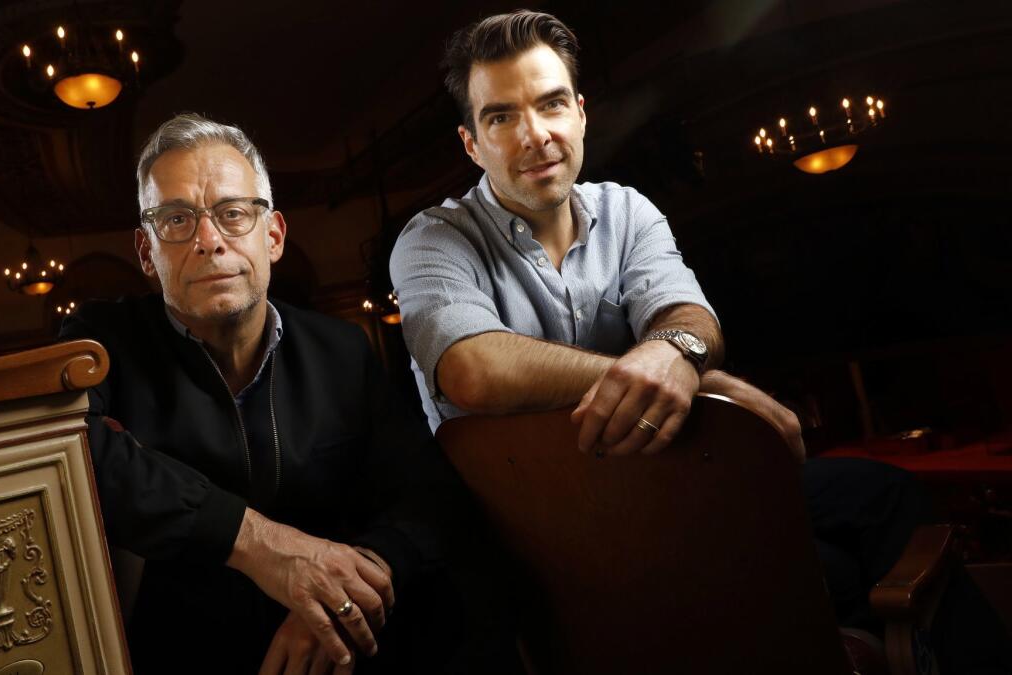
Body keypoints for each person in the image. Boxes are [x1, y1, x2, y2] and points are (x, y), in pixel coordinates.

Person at [391, 10, 1010, 673]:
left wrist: (675, 353)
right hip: (539, 535)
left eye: (550, 104)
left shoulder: (626, 210)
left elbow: (693, 319)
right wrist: (693, 374)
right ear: (471, 143)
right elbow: (474, 369)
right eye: (502, 117)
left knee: (881, 496)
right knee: (830, 566)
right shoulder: (434, 237)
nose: (535, 135)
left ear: (580, 111)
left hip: (667, 488)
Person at [60, 113, 461, 674]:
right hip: (184, 654)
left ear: (271, 235)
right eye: (175, 219)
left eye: (231, 214)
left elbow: (426, 497)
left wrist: (336, 600)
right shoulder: (102, 342)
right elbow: (73, 456)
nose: (207, 242)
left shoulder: (343, 350)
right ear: (147, 253)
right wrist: (264, 548)